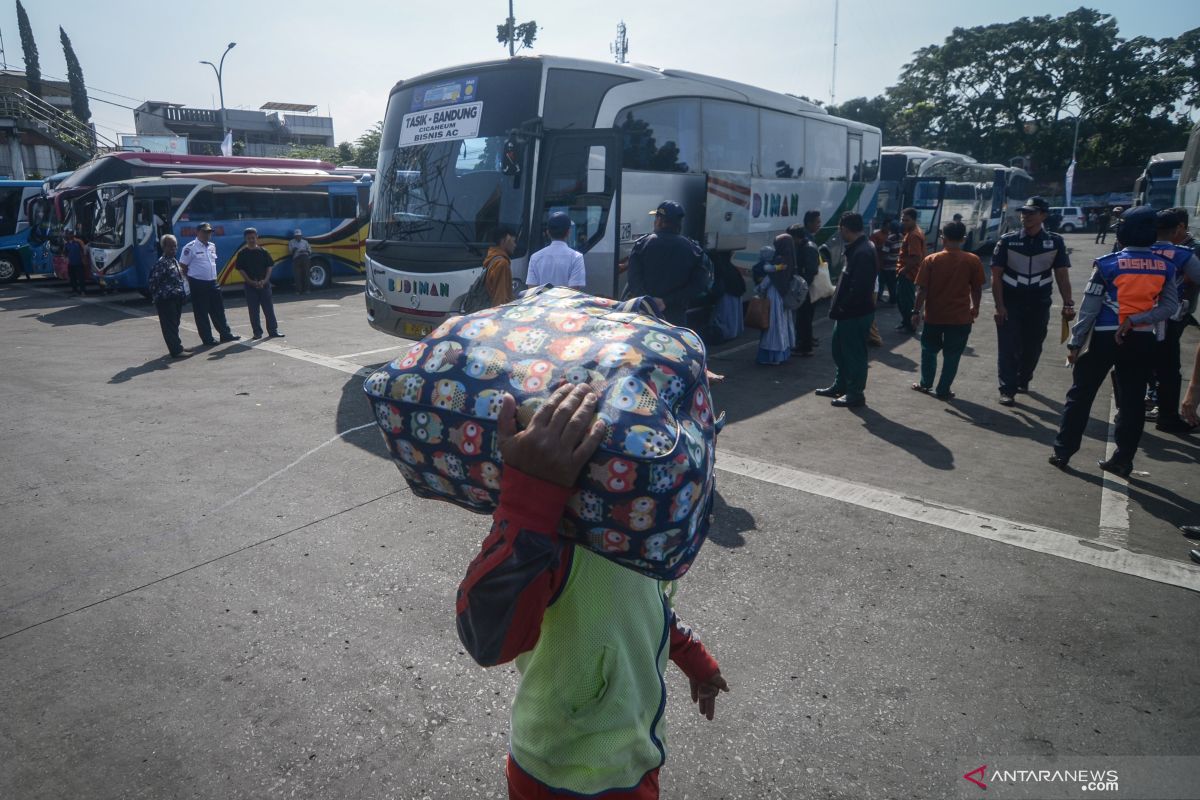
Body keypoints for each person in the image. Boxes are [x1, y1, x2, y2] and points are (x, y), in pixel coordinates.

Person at [456, 382, 727, 800]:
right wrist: (530, 500)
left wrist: (695, 659)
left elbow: (644, 613)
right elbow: (487, 639)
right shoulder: (559, 540)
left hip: (634, 761)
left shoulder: (642, 540)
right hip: (556, 772)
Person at [1048, 207, 1178, 476]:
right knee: (1132, 401)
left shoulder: (1108, 264)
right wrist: (1138, 318)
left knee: (1081, 395)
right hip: (1142, 340)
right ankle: (1123, 460)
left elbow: (1089, 309)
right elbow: (1169, 308)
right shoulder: (1166, 267)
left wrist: (1075, 343)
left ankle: (1063, 451)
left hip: (1106, 338)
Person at [990, 196, 1074, 406]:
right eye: (1024, 212)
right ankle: (1007, 389)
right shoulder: (1008, 240)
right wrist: (999, 306)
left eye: (1031, 212)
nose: (1026, 216)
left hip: (1039, 302)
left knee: (1033, 346)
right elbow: (996, 275)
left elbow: (1062, 275)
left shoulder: (1055, 241)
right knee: (1008, 346)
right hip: (1011, 301)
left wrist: (1068, 303)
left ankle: (1023, 378)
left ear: (1043, 215)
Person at [910, 220, 986, 400]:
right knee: (952, 355)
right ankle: (943, 389)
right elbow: (976, 288)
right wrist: (975, 307)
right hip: (960, 318)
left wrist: (915, 312)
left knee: (929, 350)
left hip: (934, 316)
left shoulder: (931, 260)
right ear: (964, 238)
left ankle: (925, 383)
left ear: (942, 238)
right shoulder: (972, 260)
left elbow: (922, 290)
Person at [816, 212, 877, 408]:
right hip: (846, 313)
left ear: (844, 229)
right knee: (840, 350)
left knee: (854, 354)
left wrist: (843, 306)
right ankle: (840, 385)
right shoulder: (857, 249)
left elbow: (859, 288)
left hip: (854, 314)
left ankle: (855, 393)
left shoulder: (863, 252)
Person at [1148, 208, 1200, 434]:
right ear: (1175, 229)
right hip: (1168, 317)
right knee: (1168, 369)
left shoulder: (1138, 251)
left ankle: (1128, 409)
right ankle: (1166, 416)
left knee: (1133, 365)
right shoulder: (1183, 254)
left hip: (1138, 318)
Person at [626, 201, 711, 327]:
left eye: (656, 218)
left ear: (660, 220)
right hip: (675, 317)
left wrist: (650, 302)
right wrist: (667, 301)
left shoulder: (642, 245)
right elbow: (700, 285)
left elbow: (633, 280)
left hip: (645, 314)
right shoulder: (694, 250)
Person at [179, 222, 240, 346]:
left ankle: (225, 334)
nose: (207, 235)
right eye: (205, 232)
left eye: (209, 232)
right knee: (201, 313)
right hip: (198, 284)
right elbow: (183, 267)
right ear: (198, 232)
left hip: (213, 282)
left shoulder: (212, 246)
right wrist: (190, 282)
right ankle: (208, 339)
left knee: (218, 310)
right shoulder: (190, 248)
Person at [752, 235, 797, 365]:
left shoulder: (779, 259)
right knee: (782, 324)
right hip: (784, 295)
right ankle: (782, 354)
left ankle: (771, 357)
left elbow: (770, 278)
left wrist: (759, 288)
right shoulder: (791, 259)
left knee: (773, 326)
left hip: (774, 294)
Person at [233, 227, 284, 340]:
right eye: (249, 238)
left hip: (264, 284)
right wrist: (250, 281)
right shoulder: (242, 253)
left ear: (257, 237)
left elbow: (269, 266)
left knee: (269, 309)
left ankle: (273, 331)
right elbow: (241, 269)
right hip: (250, 286)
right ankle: (257, 332)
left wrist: (265, 280)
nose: (251, 240)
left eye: (253, 237)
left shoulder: (263, 251)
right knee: (253, 311)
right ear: (245, 239)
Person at [147, 234, 190, 359]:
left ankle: (178, 346)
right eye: (170, 246)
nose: (173, 249)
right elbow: (153, 282)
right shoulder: (161, 263)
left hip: (176, 298)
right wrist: (157, 297)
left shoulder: (174, 260)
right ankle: (176, 351)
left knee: (175, 324)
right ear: (163, 247)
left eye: (175, 246)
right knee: (169, 326)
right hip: (166, 300)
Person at [787, 212, 822, 355]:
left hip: (807, 288)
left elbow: (811, 270)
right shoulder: (805, 245)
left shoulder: (808, 247)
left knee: (805, 317)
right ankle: (803, 342)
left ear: (797, 237)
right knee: (803, 317)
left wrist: (802, 285)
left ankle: (805, 347)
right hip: (806, 287)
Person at [526, 212, 586, 290]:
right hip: (566, 302)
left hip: (542, 302)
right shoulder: (576, 257)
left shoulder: (535, 257)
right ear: (568, 233)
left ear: (548, 233)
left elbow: (531, 289)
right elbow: (573, 290)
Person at [894, 207, 926, 334]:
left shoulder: (913, 235)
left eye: (906, 220)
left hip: (908, 273)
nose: (903, 222)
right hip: (907, 272)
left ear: (914, 220)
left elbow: (916, 257)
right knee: (901, 299)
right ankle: (906, 322)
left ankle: (910, 325)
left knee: (906, 301)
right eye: (902, 220)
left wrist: (904, 270)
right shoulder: (912, 232)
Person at [484, 226, 517, 306]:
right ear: (505, 241)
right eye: (513, 241)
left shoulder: (492, 258)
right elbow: (500, 299)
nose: (515, 245)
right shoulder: (502, 264)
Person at [870, 218, 898, 305]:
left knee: (889, 283)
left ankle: (891, 299)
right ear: (883, 226)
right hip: (879, 262)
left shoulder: (892, 236)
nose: (888, 229)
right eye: (887, 227)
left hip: (889, 264)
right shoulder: (876, 235)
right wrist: (883, 246)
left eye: (890, 227)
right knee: (880, 282)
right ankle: (878, 297)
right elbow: (872, 247)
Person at [63, 228, 91, 296]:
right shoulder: (66, 244)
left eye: (70, 234)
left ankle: (83, 291)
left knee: (81, 278)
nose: (69, 235)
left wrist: (84, 259)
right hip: (71, 263)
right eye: (68, 234)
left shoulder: (78, 242)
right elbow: (65, 253)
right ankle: (74, 290)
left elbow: (84, 250)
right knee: (72, 278)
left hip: (79, 263)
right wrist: (65, 258)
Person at [288, 229, 313, 294]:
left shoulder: (305, 242)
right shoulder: (291, 242)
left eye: (299, 236)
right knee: (297, 275)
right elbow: (290, 252)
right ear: (294, 236)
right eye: (296, 236)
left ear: (301, 235)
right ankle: (299, 290)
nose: (298, 237)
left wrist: (305, 251)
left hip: (305, 257)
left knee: (306, 274)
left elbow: (310, 250)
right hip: (296, 258)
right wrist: (294, 250)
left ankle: (307, 290)